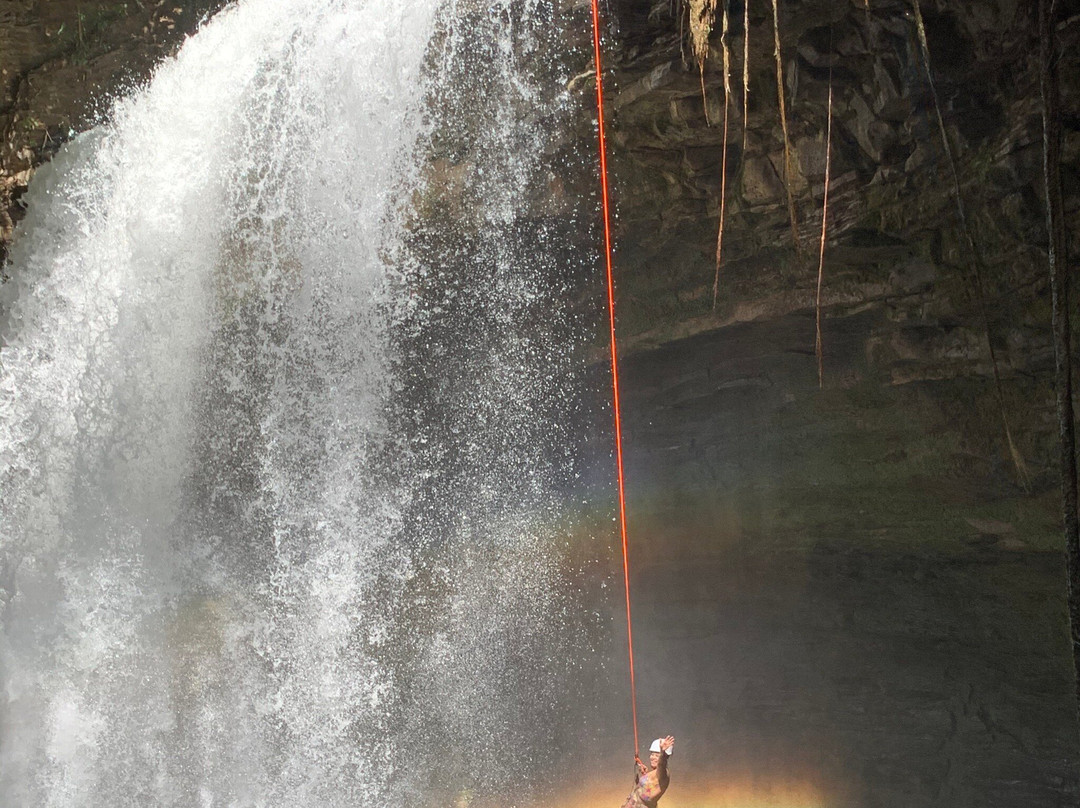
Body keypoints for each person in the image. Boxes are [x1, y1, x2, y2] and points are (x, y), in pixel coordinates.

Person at [622, 735, 674, 808]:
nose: (653, 757)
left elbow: (661, 764)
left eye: (657, 755)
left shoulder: (663, 773)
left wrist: (663, 753)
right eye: (652, 754)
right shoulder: (655, 774)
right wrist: (644, 775)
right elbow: (645, 790)